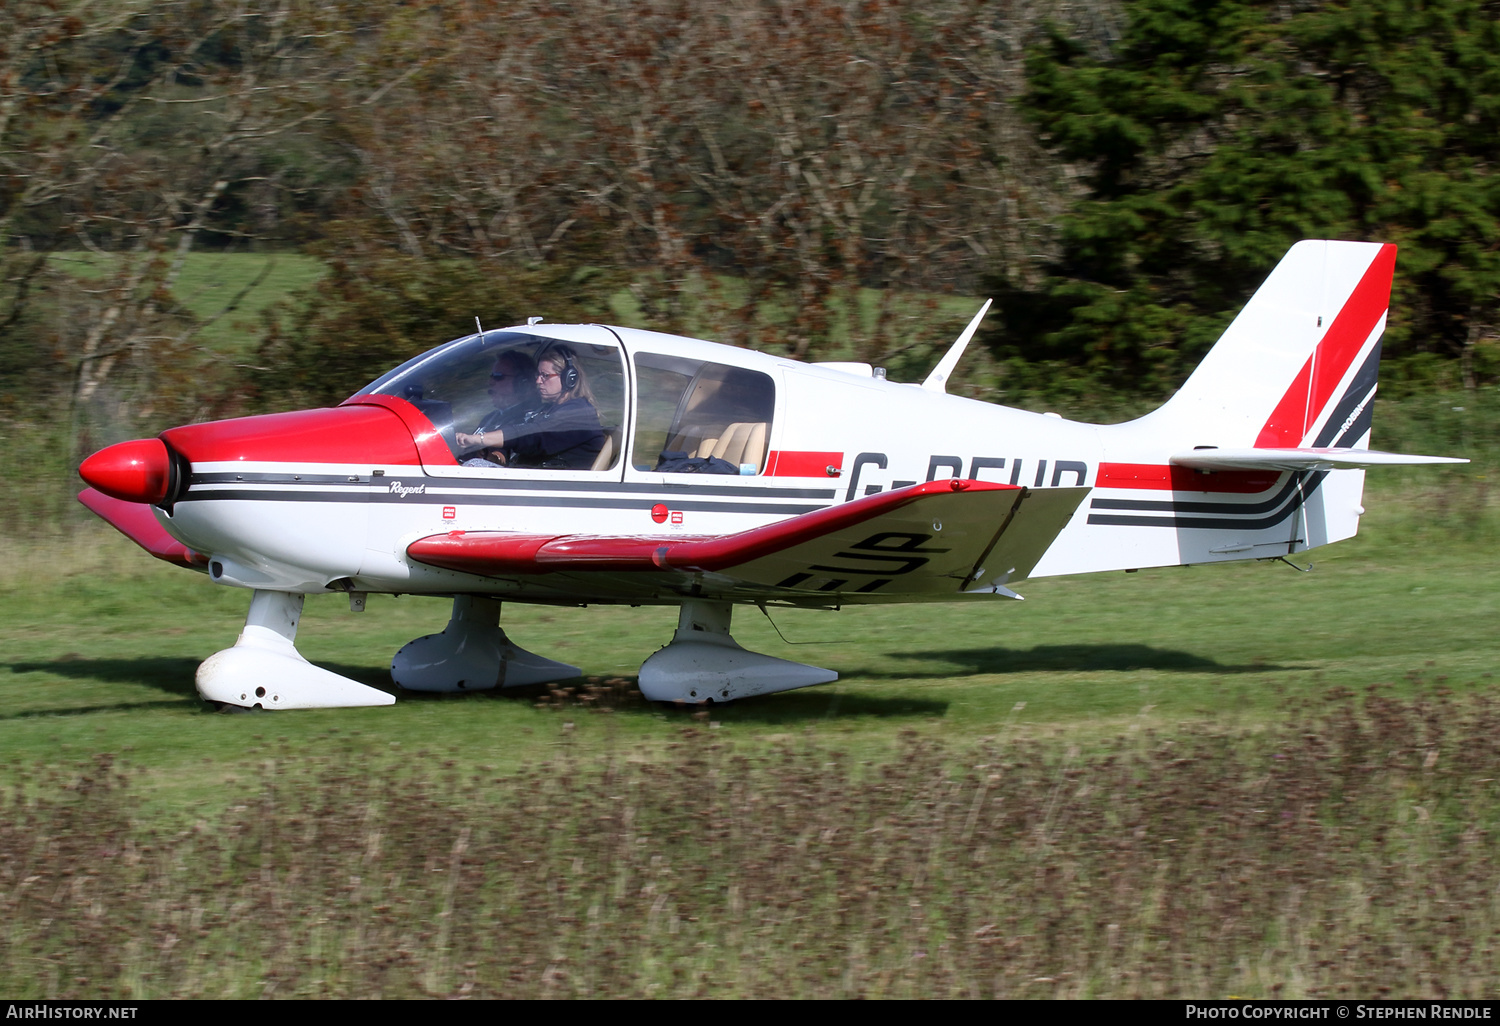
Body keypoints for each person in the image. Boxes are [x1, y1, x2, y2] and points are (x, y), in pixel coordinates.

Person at [483, 346, 606, 470]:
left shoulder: (579, 413)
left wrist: (482, 439)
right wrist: (494, 455)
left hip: (559, 486)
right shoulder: (545, 410)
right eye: (538, 375)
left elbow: (535, 437)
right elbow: (519, 433)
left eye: (545, 376)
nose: (538, 381)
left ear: (569, 378)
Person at [455, 350, 540, 466]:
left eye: (498, 377)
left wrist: (489, 457)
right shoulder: (491, 417)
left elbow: (501, 457)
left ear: (522, 383)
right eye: (491, 376)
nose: (491, 382)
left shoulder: (527, 420)